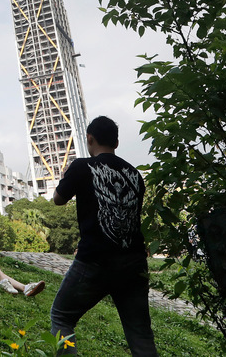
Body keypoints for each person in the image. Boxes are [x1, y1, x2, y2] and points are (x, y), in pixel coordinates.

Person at [50, 116, 158, 356]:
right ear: (116, 142)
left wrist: (68, 175)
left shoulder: (81, 166)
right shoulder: (135, 175)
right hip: (134, 261)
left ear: (90, 139)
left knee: (61, 316)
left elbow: (58, 199)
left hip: (95, 259)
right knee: (140, 333)